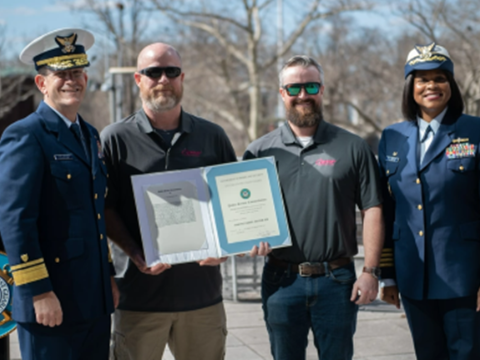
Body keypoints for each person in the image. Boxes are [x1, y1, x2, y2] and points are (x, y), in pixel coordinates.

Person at [101, 42, 269, 360]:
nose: (163, 79)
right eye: (153, 72)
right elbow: (105, 209)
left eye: (171, 71)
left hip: (202, 299)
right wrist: (136, 253)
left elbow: (233, 203)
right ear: (138, 79)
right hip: (138, 299)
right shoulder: (114, 138)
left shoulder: (212, 135)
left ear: (182, 78)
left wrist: (229, 247)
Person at [243, 55, 384, 360]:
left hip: (338, 280)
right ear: (282, 94)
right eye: (294, 88)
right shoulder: (258, 152)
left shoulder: (353, 146)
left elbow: (373, 209)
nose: (302, 95)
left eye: (310, 86)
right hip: (281, 280)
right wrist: (248, 241)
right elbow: (243, 213)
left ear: (322, 90)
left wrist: (370, 271)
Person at [0, 28, 118, 360]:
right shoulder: (25, 135)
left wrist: (106, 277)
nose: (72, 81)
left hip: (92, 299)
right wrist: (38, 292)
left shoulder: (89, 134)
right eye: (61, 74)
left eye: (77, 72)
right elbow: (15, 220)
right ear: (41, 84)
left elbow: (93, 211)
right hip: (51, 300)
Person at [379, 43, 480, 360]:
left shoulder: (474, 130)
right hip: (413, 276)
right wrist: (388, 274)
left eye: (440, 78)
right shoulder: (392, 137)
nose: (431, 86)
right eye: (422, 79)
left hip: (464, 276)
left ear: (451, 85)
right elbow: (386, 210)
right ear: (411, 87)